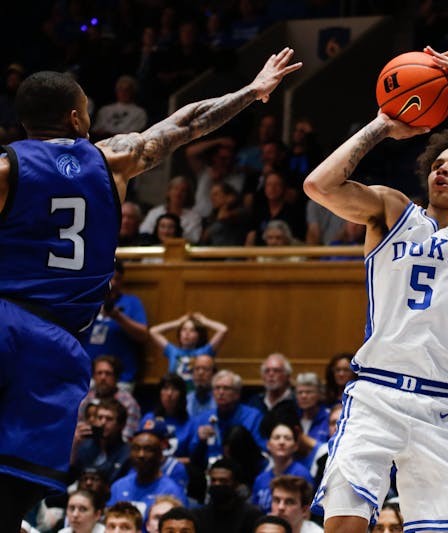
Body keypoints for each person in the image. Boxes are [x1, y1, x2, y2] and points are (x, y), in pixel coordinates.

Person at [0, 48, 300, 528]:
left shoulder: (6, 168)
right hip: (54, 342)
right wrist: (252, 91)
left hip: (4, 318)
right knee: (15, 485)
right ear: (77, 117)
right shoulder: (113, 158)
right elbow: (189, 122)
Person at [305, 46, 448, 533]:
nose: (441, 169)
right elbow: (319, 186)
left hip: (437, 404)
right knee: (344, 524)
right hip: (375, 393)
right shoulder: (390, 211)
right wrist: (382, 125)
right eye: (437, 163)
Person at [82, 260, 148, 389]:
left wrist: (118, 317)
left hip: (121, 379)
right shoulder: (86, 302)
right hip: (87, 378)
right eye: (110, 279)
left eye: (117, 279)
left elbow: (143, 335)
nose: (113, 283)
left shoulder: (131, 303)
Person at [107, 426, 188, 518]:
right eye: (136, 448)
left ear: (159, 455)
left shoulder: (172, 491)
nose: (141, 455)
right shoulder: (118, 486)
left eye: (148, 449)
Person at [189, 370, 265, 469]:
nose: (221, 392)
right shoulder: (203, 418)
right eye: (217, 388)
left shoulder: (253, 416)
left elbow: (261, 453)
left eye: (226, 388)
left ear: (237, 394)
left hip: (242, 471)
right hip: (209, 471)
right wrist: (200, 441)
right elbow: (192, 454)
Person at [149, 312, 229, 384]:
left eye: (192, 330)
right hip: (176, 395)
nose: (187, 333)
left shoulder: (205, 352)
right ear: (179, 334)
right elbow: (153, 331)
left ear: (199, 335)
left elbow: (223, 330)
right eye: (184, 329)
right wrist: (178, 322)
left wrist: (205, 321)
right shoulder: (172, 351)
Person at [252, 422, 315, 513]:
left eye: (287, 438)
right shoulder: (260, 479)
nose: (281, 442)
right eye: (277, 438)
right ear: (268, 445)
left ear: (295, 446)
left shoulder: (302, 475)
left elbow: (307, 511)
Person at [78, 355, 142, 441]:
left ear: (116, 377)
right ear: (94, 376)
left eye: (108, 373)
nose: (103, 377)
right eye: (99, 373)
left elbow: (128, 436)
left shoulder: (128, 402)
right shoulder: (85, 399)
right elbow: (79, 426)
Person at [194, 459, 263, 533]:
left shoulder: (251, 515)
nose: (217, 484)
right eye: (213, 480)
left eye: (223, 481)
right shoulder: (199, 516)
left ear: (236, 484)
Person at [71, 399, 131, 483]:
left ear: (121, 425)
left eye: (109, 419)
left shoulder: (127, 453)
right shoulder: (84, 446)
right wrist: (74, 445)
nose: (103, 422)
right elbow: (70, 476)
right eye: (100, 418)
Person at [140, 373, 193, 460]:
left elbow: (192, 460)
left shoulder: (190, 423)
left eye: (175, 389)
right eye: (165, 388)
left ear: (182, 395)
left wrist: (168, 463)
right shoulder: (149, 419)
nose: (169, 393)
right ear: (159, 393)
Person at [139, 176, 203, 244]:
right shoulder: (154, 212)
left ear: (188, 195)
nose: (178, 193)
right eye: (175, 189)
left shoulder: (194, 217)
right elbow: (144, 232)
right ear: (168, 192)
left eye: (183, 190)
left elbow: (194, 238)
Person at [90, 75, 148, 140]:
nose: (123, 93)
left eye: (127, 90)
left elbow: (135, 134)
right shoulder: (105, 110)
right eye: (121, 89)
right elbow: (96, 129)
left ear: (133, 91)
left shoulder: (140, 113)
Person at [248, 353, 298, 424]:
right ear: (262, 377)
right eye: (267, 371)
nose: (271, 374)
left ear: (287, 376)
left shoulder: (297, 401)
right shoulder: (254, 402)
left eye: (276, 371)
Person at [295, 373, 331, 444]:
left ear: (320, 394)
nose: (303, 396)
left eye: (309, 392)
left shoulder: (330, 417)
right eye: (300, 392)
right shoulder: (292, 417)